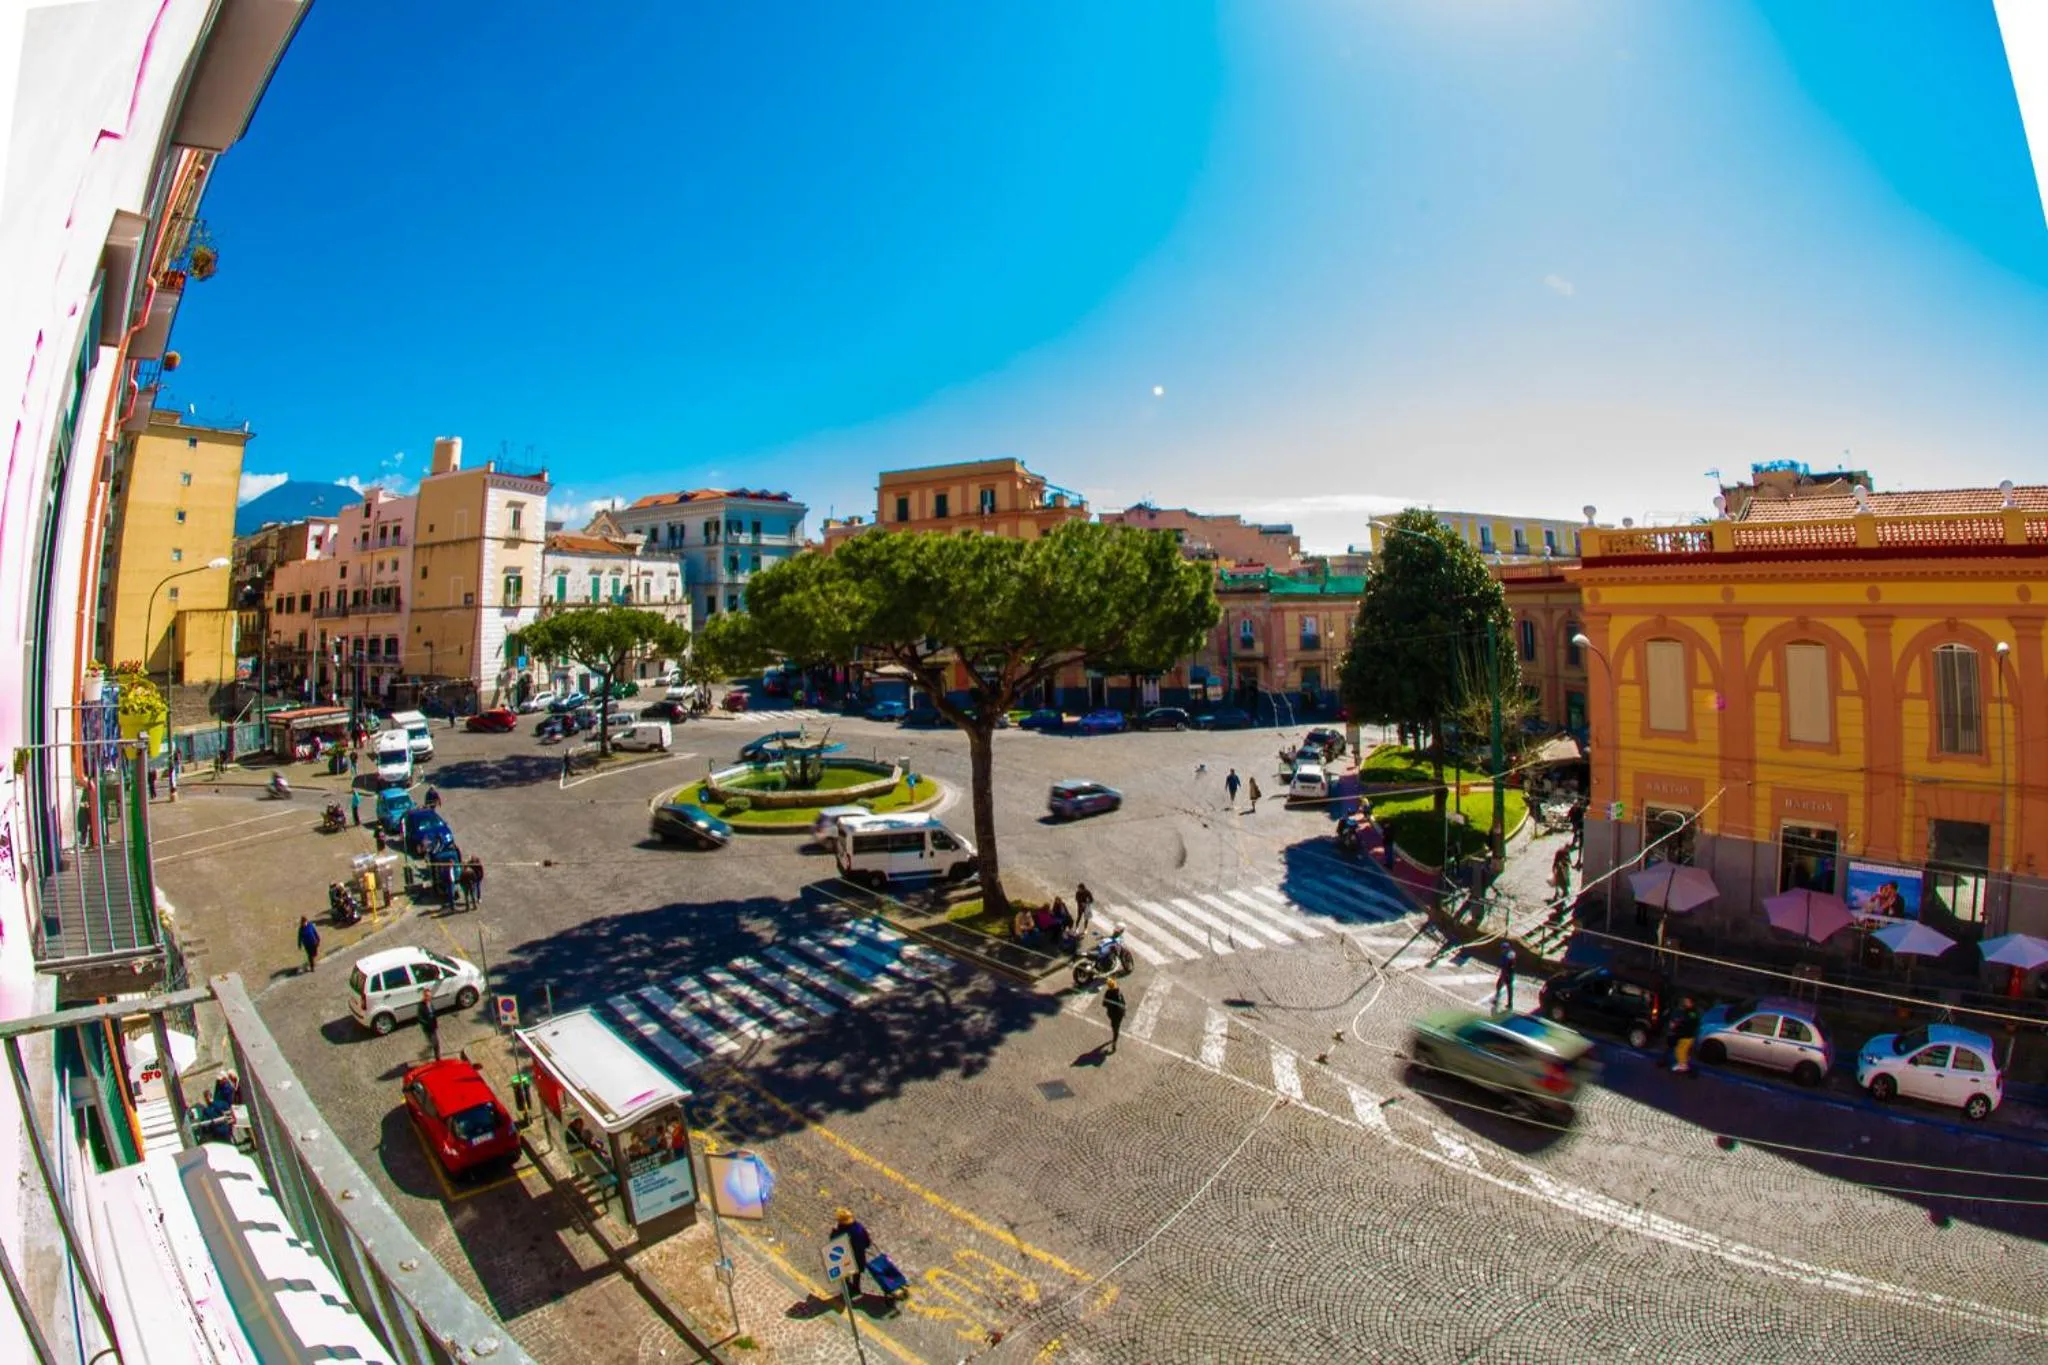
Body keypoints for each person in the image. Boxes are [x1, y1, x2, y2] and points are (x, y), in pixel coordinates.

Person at [832, 1208, 872, 1298]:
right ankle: (856, 1288)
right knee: (856, 1273)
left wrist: (834, 1232)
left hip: (848, 1256)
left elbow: (834, 1242)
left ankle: (848, 1287)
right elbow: (867, 1242)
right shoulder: (859, 1227)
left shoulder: (842, 1231)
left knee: (845, 1271)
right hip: (860, 1256)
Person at [1665, 996, 1700, 1073]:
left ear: (1691, 1002)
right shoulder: (1688, 1011)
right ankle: (1683, 1063)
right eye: (1684, 1001)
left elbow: (1690, 1022)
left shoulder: (1692, 1012)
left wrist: (1678, 1024)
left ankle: (1683, 1065)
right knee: (1681, 1050)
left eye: (1686, 1001)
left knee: (1680, 1050)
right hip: (1685, 1034)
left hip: (1687, 1035)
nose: (1685, 1002)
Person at [1102, 976, 1127, 1053]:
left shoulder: (1108, 993)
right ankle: (1114, 1040)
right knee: (1116, 1027)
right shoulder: (1119, 992)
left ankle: (1114, 1045)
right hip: (1120, 1014)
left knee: (1115, 1029)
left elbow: (1104, 1004)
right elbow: (1124, 1003)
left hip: (1113, 1015)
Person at [1491, 944, 1517, 1013]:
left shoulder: (1509, 955)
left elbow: (1508, 965)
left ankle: (1507, 1003)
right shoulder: (1509, 953)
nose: (1502, 950)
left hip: (1507, 974)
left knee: (1506, 987)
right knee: (1501, 986)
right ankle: (1506, 1002)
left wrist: (1505, 973)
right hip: (1506, 973)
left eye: (1503, 948)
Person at [418, 988, 441, 1061]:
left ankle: (434, 1048)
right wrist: (427, 1023)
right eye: (427, 996)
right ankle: (437, 1058)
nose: (429, 997)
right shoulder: (421, 1006)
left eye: (430, 996)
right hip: (428, 1028)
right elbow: (420, 1019)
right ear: (424, 996)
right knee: (435, 1043)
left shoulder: (430, 1003)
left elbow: (433, 1012)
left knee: (435, 1042)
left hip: (433, 1026)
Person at [1567, 801, 1586, 866]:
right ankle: (1574, 841)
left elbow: (1582, 817)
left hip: (1580, 825)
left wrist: (1578, 823)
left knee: (1581, 842)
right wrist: (1569, 819)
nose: (1575, 806)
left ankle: (1580, 859)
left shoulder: (1580, 810)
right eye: (1575, 804)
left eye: (1576, 805)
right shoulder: (1572, 809)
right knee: (1575, 833)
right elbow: (1569, 814)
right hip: (1575, 823)